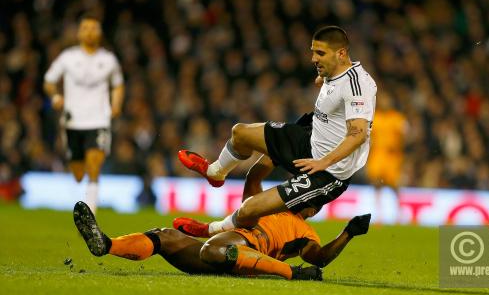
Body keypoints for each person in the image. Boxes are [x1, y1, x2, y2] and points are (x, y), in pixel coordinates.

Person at [178, 25, 377, 237]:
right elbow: (337, 86)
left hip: (327, 172)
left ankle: (212, 230)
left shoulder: (357, 85)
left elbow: (358, 134)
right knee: (241, 133)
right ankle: (215, 173)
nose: (313, 59)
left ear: (341, 53)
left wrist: (323, 162)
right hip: (309, 138)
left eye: (320, 53)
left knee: (250, 208)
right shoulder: (335, 71)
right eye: (312, 51)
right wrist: (325, 79)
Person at [73, 200, 371, 280]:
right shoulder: (269, 204)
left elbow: (318, 257)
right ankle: (106, 245)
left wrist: (348, 233)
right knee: (165, 237)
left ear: (312, 208)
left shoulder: (303, 229)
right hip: (221, 249)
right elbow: (255, 176)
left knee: (215, 249)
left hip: (249, 251)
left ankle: (290, 274)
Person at [44, 16, 124, 214]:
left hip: (99, 120)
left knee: (94, 165)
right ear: (79, 33)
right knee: (78, 173)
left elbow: (118, 84)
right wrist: (55, 96)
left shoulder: (108, 59)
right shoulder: (68, 57)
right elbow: (49, 80)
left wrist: (115, 104)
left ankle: (91, 215)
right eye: (85, 28)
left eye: (93, 28)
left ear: (100, 33)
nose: (89, 32)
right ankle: (86, 192)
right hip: (73, 121)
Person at [365, 90, 408, 222]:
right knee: (377, 184)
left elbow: (406, 134)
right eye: (383, 100)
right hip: (377, 155)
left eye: (387, 100)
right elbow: (367, 137)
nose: (385, 102)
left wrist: (399, 147)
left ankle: (400, 213)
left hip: (392, 157)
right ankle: (379, 214)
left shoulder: (397, 118)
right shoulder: (374, 118)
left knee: (394, 185)